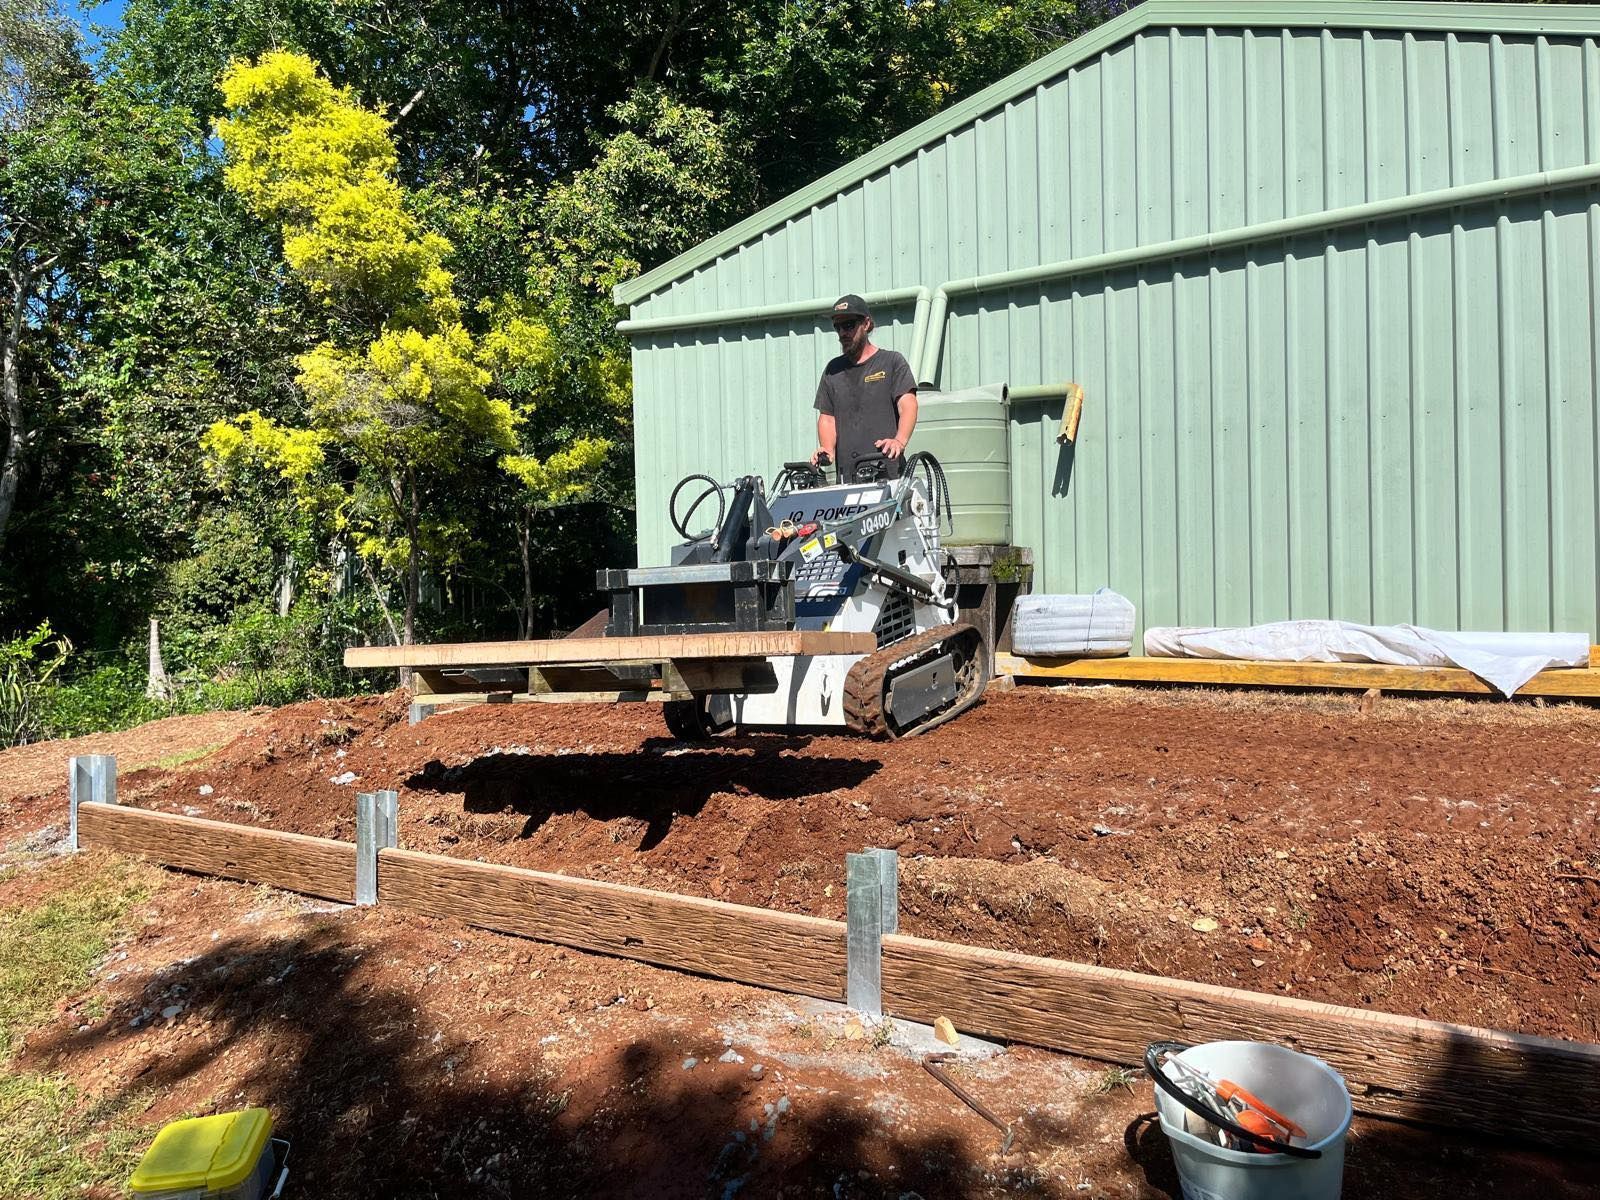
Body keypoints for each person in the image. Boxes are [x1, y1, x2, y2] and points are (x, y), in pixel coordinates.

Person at [811, 294, 918, 482]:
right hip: (848, 481)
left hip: (888, 477)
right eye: (838, 327)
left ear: (866, 324)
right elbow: (827, 418)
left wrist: (899, 441)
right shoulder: (832, 370)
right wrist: (827, 449)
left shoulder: (892, 362)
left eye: (849, 325)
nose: (842, 333)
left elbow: (908, 405)